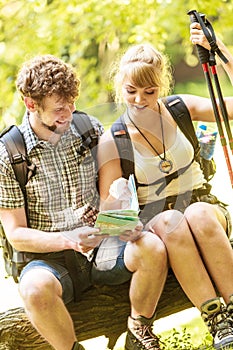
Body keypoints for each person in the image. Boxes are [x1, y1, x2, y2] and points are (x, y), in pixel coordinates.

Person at [0, 54, 168, 350]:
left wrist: (122, 220)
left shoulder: (87, 128)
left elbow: (111, 196)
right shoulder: (9, 154)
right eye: (59, 108)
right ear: (30, 104)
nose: (70, 112)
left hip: (103, 246)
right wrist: (68, 239)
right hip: (49, 260)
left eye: (72, 103)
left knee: (152, 247)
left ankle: (138, 332)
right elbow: (16, 235)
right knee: (34, 289)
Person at [97, 22, 233, 350]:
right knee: (172, 220)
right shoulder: (112, 139)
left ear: (162, 86)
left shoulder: (180, 108)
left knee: (198, 213)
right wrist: (119, 200)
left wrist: (221, 51)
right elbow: (108, 218)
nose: (140, 100)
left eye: (150, 91)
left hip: (206, 211)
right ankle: (216, 320)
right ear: (120, 88)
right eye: (131, 92)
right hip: (160, 221)